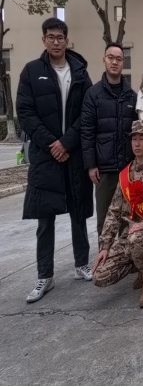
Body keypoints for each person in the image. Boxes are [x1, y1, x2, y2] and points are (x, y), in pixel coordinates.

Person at [17, 18, 94, 303]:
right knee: (45, 216)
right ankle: (44, 276)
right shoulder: (32, 72)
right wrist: (52, 143)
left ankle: (81, 263)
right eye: (51, 37)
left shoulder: (80, 72)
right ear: (44, 40)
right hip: (46, 154)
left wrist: (67, 142)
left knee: (78, 211)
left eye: (60, 37)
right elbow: (25, 112)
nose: (56, 42)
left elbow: (87, 112)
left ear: (66, 39)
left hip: (72, 153)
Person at [92, 120, 143, 308]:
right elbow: (113, 211)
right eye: (134, 139)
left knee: (137, 239)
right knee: (99, 276)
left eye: (142, 138)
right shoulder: (125, 175)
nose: (137, 143)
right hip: (129, 235)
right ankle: (138, 264)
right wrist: (105, 245)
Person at [81, 42, 138, 237]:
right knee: (105, 220)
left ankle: (123, 254)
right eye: (111, 58)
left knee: (127, 217)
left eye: (119, 59)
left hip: (127, 169)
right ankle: (105, 255)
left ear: (123, 63)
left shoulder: (131, 96)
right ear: (104, 60)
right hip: (104, 170)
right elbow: (87, 131)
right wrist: (91, 165)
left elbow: (136, 133)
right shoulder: (93, 94)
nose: (114, 62)